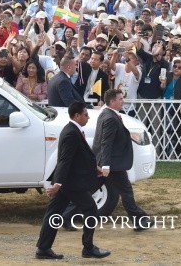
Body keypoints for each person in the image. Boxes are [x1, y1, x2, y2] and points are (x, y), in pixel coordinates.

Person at [35, 101, 110, 260]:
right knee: (90, 209)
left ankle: (43, 249)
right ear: (77, 115)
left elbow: (78, 157)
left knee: (53, 214)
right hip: (71, 184)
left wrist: (95, 168)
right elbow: (65, 160)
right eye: (85, 114)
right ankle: (88, 248)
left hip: (67, 182)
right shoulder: (71, 133)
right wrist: (58, 184)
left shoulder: (72, 130)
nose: (88, 117)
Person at [93, 89, 150, 230]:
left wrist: (127, 135)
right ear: (112, 101)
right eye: (120, 99)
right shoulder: (110, 118)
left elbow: (110, 137)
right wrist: (106, 165)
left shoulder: (106, 113)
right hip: (113, 163)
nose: (122, 101)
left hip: (109, 162)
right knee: (126, 191)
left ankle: (67, 215)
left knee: (90, 188)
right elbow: (106, 142)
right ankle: (140, 220)